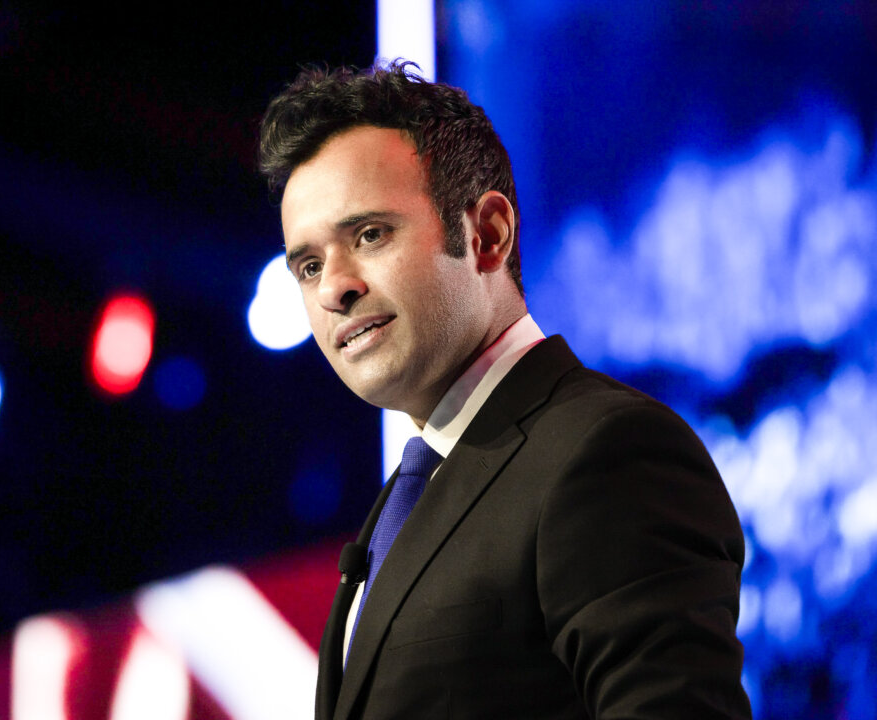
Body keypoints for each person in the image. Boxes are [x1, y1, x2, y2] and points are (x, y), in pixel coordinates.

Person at [259, 61, 752, 720]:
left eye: (370, 234)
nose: (332, 288)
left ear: (487, 235)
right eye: (309, 265)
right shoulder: (404, 500)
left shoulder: (607, 452)